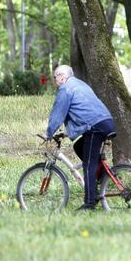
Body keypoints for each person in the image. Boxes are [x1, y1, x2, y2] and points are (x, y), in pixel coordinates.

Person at [45, 65, 115, 211]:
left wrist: (49, 133)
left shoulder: (65, 88)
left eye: (55, 77)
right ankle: (103, 177)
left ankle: (89, 203)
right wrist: (66, 133)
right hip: (105, 122)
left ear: (62, 77)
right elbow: (84, 112)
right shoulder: (81, 85)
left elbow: (58, 114)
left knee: (89, 165)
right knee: (79, 146)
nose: (55, 81)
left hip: (95, 127)